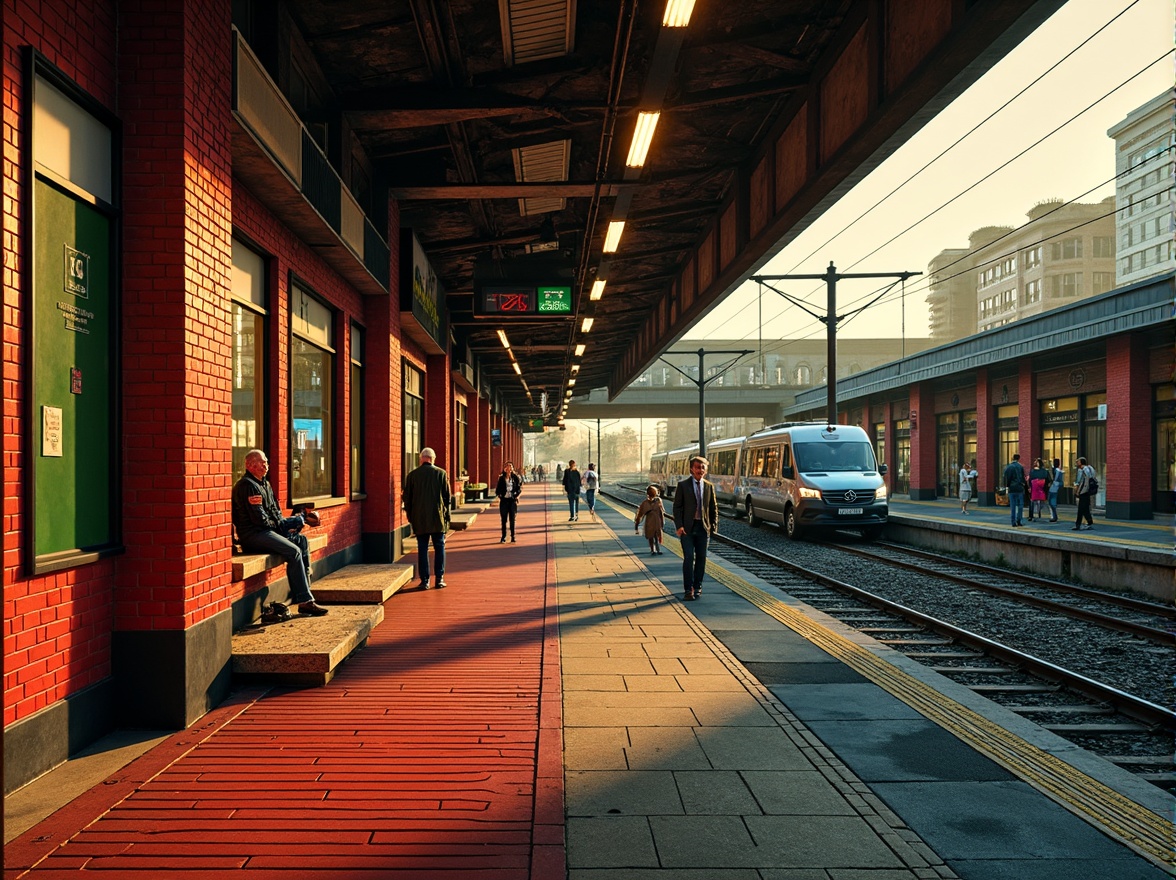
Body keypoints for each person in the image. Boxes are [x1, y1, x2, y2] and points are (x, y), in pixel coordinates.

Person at [232, 449, 329, 616]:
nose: (266, 466)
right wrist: (293, 522)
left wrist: (290, 523)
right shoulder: (248, 486)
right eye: (262, 463)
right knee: (294, 551)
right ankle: (304, 600)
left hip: (268, 531)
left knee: (301, 541)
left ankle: (307, 593)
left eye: (266, 462)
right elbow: (260, 521)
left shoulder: (265, 484)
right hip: (254, 535)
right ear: (250, 465)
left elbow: (275, 513)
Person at [672, 455, 719, 601]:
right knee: (688, 558)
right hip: (687, 528)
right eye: (698, 467)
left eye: (703, 467)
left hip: (703, 528)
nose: (701, 470)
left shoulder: (709, 487)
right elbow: (677, 507)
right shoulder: (683, 485)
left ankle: (697, 586)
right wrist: (679, 526)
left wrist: (713, 526)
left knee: (701, 558)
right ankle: (688, 589)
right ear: (692, 469)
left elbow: (713, 508)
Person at [403, 447, 451, 588]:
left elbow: (407, 499)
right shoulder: (441, 474)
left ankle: (424, 581)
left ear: (422, 458)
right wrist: (446, 517)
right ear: (432, 458)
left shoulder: (412, 476)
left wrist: (411, 516)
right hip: (437, 518)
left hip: (420, 519)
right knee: (439, 547)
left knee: (422, 548)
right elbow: (447, 497)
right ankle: (439, 578)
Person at [634, 485, 666, 555]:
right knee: (656, 536)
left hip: (649, 522)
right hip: (657, 522)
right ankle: (657, 549)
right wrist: (662, 523)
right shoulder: (659, 501)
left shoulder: (645, 503)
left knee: (651, 537)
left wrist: (636, 526)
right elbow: (662, 512)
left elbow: (639, 515)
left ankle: (653, 550)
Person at [496, 461, 522, 543]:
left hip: (512, 501)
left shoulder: (515, 478)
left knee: (512, 519)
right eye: (507, 466)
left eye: (510, 466)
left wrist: (515, 495)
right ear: (504, 468)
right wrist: (500, 495)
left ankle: (513, 536)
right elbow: (497, 490)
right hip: (504, 501)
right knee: (504, 520)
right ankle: (503, 536)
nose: (508, 468)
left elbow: (519, 489)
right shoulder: (501, 478)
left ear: (512, 468)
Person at [1002, 453, 1026, 527]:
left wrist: (1007, 486)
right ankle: (1019, 520)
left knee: (1013, 506)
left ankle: (1013, 522)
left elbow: (1006, 478)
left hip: (1012, 488)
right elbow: (1023, 478)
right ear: (1019, 459)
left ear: (1012, 458)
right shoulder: (1021, 467)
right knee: (1020, 505)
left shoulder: (1008, 467)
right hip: (1019, 488)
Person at [1073, 456, 1096, 531]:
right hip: (1088, 491)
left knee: (1081, 509)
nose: (1077, 463)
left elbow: (1079, 482)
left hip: (1083, 491)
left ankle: (1078, 524)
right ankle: (1089, 522)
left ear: (1081, 462)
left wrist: (1077, 491)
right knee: (1085, 508)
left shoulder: (1081, 470)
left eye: (1078, 461)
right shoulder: (1089, 468)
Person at [1047, 457, 1063, 522]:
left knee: (1052, 501)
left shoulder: (1056, 470)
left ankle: (1054, 516)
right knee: (1052, 501)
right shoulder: (1059, 470)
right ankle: (1054, 516)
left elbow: (1055, 479)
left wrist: (1051, 483)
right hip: (1056, 486)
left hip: (1054, 487)